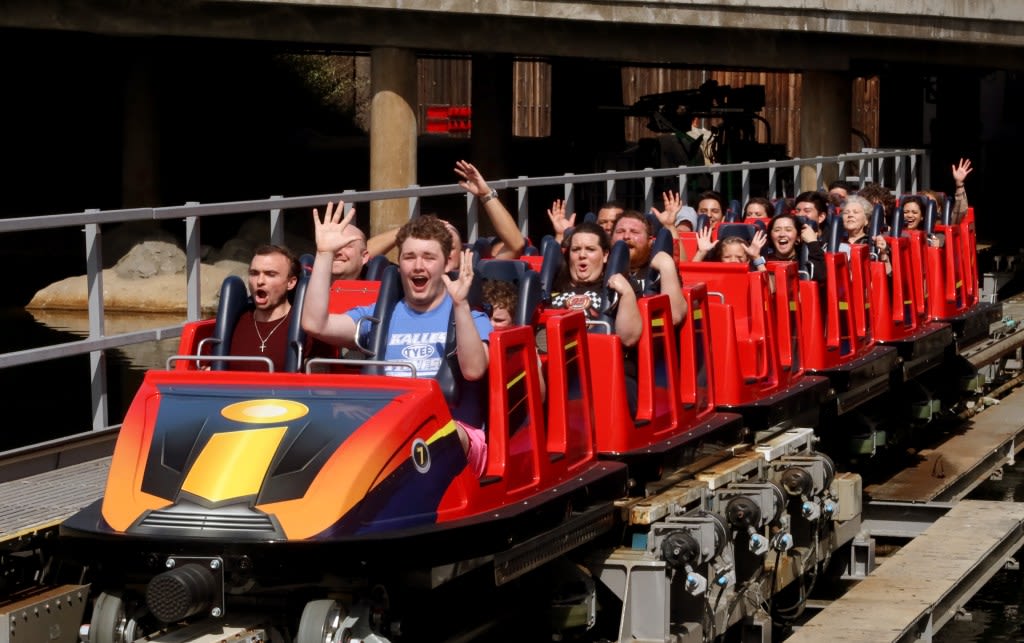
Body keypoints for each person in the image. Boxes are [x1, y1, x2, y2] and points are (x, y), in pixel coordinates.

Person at [302, 204, 492, 477]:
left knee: (428, 441)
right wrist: (324, 255)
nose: (418, 265)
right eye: (409, 257)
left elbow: (474, 370)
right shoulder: (379, 315)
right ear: (399, 263)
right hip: (386, 430)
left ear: (445, 263)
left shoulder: (470, 315)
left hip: (455, 431)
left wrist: (460, 304)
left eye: (428, 257)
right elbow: (314, 323)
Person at [227, 244, 334, 372]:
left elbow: (321, 383)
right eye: (254, 273)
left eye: (270, 274)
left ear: (291, 283)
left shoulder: (309, 327)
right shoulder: (233, 322)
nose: (260, 281)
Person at [610, 210, 688, 325]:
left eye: (634, 232)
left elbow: (675, 316)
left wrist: (667, 267)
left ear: (650, 241)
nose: (626, 236)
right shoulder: (601, 270)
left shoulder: (661, 270)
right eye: (620, 231)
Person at [691, 225, 769, 272]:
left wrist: (756, 257)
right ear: (720, 258)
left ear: (748, 259)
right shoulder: (714, 274)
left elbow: (768, 288)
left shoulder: (752, 274)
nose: (733, 261)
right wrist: (701, 253)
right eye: (727, 257)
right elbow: (689, 278)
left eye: (739, 257)